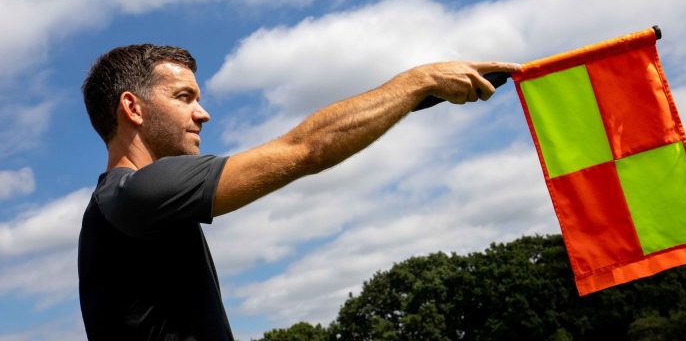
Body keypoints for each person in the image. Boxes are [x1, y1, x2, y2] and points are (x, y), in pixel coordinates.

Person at [78, 44, 519, 340]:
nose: (203, 113)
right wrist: (419, 81)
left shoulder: (126, 205)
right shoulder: (137, 194)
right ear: (133, 108)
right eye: (184, 97)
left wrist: (416, 97)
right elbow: (306, 149)